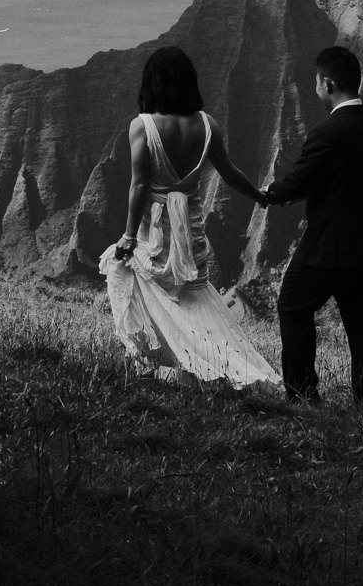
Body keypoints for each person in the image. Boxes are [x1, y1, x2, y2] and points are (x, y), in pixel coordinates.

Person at [99, 46, 279, 387]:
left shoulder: (143, 126)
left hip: (153, 229)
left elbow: (138, 186)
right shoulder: (206, 124)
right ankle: (211, 361)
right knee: (191, 296)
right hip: (189, 227)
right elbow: (228, 172)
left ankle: (175, 360)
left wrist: (127, 236)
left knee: (134, 275)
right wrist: (258, 195)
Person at [260, 45, 363, 404]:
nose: (316, 88)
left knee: (292, 305)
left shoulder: (326, 134)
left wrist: (272, 193)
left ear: (329, 83)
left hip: (329, 243)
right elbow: (341, 176)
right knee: (361, 319)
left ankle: (303, 395)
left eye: (317, 82)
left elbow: (299, 182)